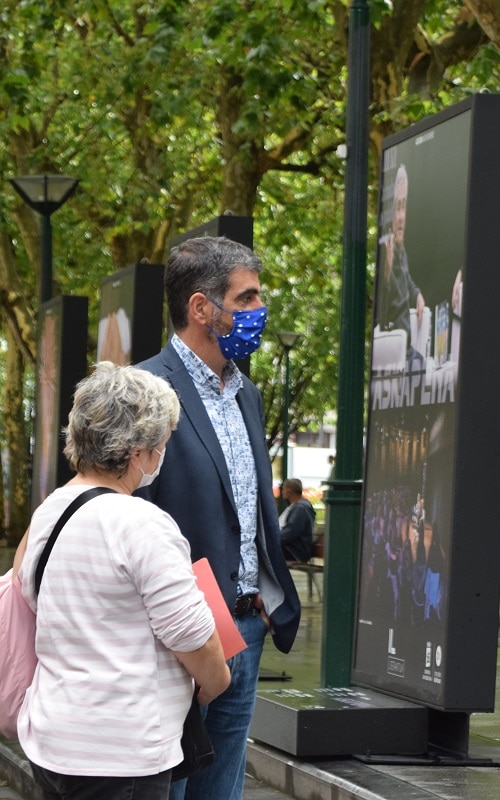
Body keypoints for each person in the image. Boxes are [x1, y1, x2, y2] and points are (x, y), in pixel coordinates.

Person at [136, 236, 301, 800]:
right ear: (202, 308)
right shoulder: (143, 391)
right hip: (172, 638)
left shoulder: (246, 395)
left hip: (246, 628)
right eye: (247, 297)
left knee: (222, 790)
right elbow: (127, 518)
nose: (259, 311)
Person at [17, 363, 231, 798]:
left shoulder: (50, 511)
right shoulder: (142, 523)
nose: (160, 457)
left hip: (53, 738)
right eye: (161, 445)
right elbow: (192, 637)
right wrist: (217, 681)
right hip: (121, 754)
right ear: (138, 453)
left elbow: (30, 594)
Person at [377, 164, 425, 354]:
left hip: (406, 345)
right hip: (392, 346)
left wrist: (418, 294)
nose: (400, 217)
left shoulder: (400, 250)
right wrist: (386, 273)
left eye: (403, 207)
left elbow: (407, 281)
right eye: (397, 207)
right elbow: (382, 301)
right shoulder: (384, 251)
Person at [278, 478, 316, 563]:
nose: (282, 492)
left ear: (289, 491)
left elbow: (290, 532)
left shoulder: (300, 508)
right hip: (292, 548)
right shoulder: (297, 506)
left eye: (283, 489)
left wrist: (272, 540)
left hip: (294, 551)